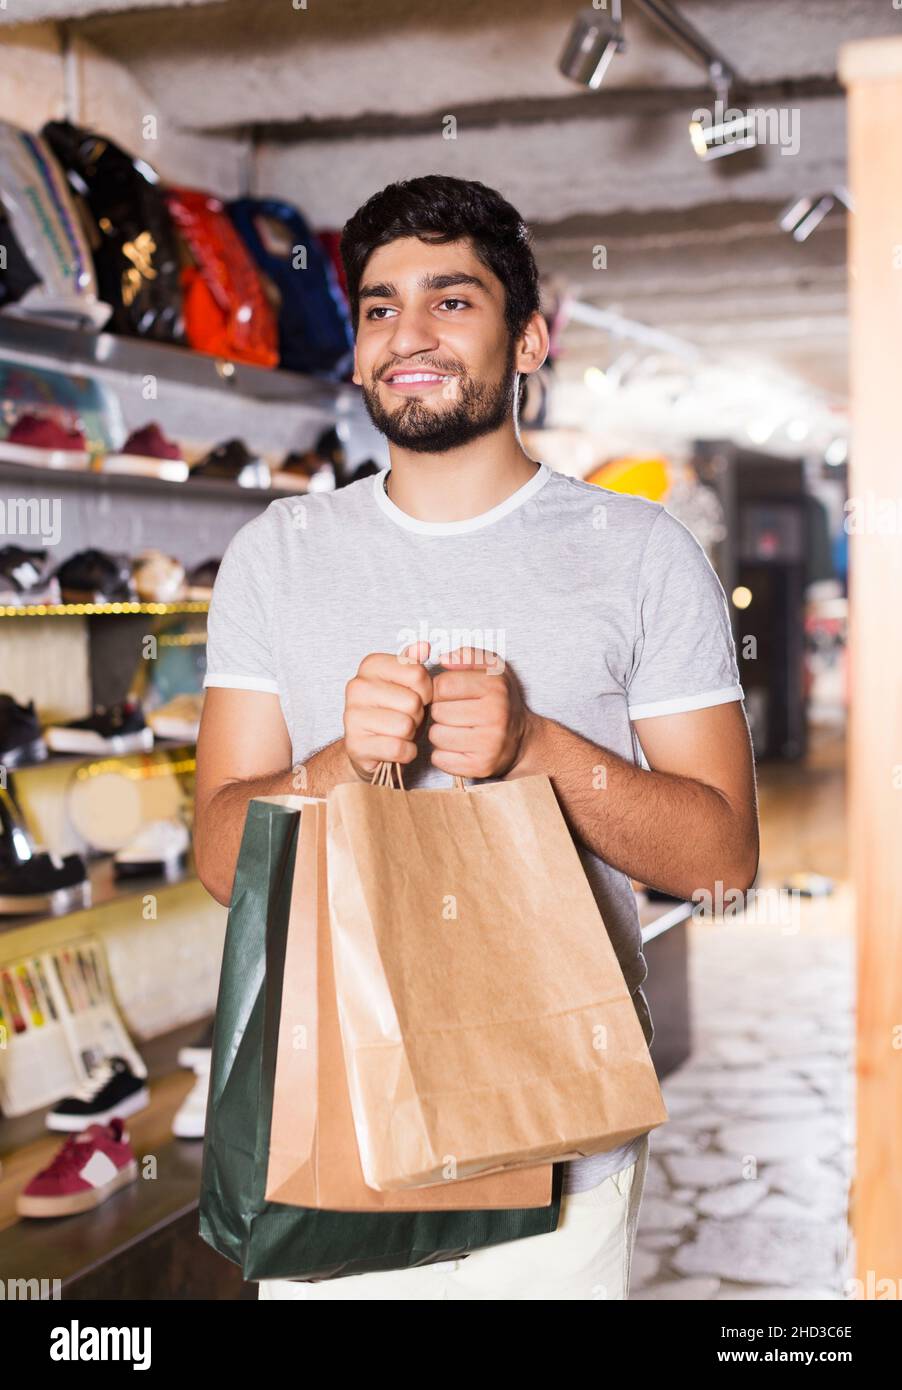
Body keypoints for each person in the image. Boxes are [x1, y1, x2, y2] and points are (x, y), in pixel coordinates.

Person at [193, 174, 759, 1301]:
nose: (408, 334)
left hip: (554, 1133)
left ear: (530, 337)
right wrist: (333, 764)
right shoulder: (278, 552)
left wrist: (538, 747)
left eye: (451, 302)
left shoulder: (640, 553)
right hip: (335, 1126)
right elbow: (218, 861)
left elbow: (722, 862)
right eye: (378, 308)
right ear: (355, 356)